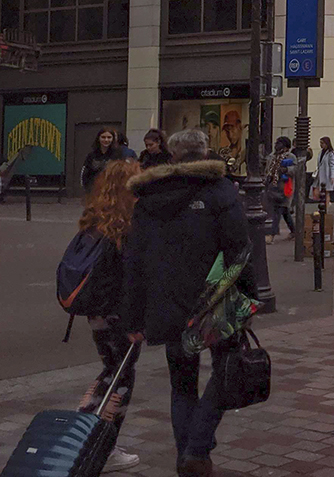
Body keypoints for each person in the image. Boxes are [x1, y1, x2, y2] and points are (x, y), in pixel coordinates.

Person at [121, 128, 256, 477]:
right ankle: (197, 447)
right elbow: (239, 249)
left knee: (182, 383)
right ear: (205, 152)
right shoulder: (219, 190)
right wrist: (248, 297)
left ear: (172, 156)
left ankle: (189, 458)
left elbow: (134, 260)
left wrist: (133, 315)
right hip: (215, 299)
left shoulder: (150, 195)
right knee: (225, 369)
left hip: (167, 300)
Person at [76, 159, 145, 473]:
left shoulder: (96, 219)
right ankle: (102, 446)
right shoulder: (126, 227)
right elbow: (130, 279)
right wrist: (136, 320)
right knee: (120, 377)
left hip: (97, 311)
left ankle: (85, 433)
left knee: (111, 370)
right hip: (120, 314)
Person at [263, 137, 296, 239]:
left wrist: (286, 170)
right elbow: (267, 169)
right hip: (273, 186)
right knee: (284, 211)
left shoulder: (290, 157)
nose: (276, 145)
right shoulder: (272, 156)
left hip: (284, 187)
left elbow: (296, 169)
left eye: (279, 143)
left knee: (278, 210)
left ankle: (271, 234)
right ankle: (294, 231)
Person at [82, 128, 125, 193]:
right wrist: (88, 189)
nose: (106, 140)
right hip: (94, 190)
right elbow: (85, 174)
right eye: (103, 137)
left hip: (113, 191)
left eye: (109, 137)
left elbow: (122, 174)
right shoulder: (91, 155)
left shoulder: (118, 154)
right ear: (98, 138)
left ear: (113, 139)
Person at [314, 137, 334, 204]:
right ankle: (325, 204)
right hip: (320, 174)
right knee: (318, 191)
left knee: (327, 192)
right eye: (320, 143)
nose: (321, 145)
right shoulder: (320, 153)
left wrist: (332, 176)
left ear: (326, 143)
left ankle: (326, 205)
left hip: (327, 175)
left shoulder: (331, 153)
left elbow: (333, 165)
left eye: (322, 143)